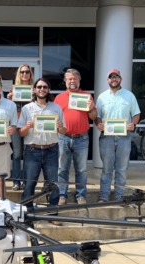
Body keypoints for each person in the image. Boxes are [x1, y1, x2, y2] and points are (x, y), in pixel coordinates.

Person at [17, 78, 67, 226]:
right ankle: (27, 214)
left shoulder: (56, 108)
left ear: (48, 89)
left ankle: (53, 214)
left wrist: (59, 127)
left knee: (52, 184)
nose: (42, 89)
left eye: (45, 87)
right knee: (29, 184)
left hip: (51, 149)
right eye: (39, 87)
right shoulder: (27, 108)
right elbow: (21, 133)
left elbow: (64, 131)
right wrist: (27, 127)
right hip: (32, 150)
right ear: (34, 90)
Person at [95, 68, 141, 202]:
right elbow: (97, 116)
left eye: (116, 77)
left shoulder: (129, 96)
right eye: (111, 77)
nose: (114, 79)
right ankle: (103, 196)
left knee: (121, 168)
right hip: (106, 137)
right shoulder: (102, 97)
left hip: (124, 137)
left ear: (120, 79)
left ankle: (119, 196)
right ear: (107, 80)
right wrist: (98, 124)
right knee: (107, 168)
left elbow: (136, 114)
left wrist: (133, 124)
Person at [54, 68, 97, 205]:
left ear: (79, 81)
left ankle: (81, 196)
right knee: (62, 169)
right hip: (63, 137)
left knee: (81, 169)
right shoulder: (59, 98)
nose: (72, 81)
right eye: (69, 79)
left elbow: (93, 117)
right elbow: (53, 117)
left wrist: (90, 108)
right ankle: (62, 194)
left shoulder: (87, 96)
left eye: (75, 79)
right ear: (65, 81)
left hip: (81, 138)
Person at [6, 64, 35, 191]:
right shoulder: (13, 90)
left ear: (30, 74)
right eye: (22, 72)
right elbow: (10, 109)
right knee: (17, 154)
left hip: (29, 125)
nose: (24, 74)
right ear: (19, 74)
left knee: (28, 154)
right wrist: (9, 99)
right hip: (16, 125)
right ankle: (17, 181)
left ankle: (27, 181)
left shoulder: (35, 89)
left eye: (27, 72)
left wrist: (36, 96)